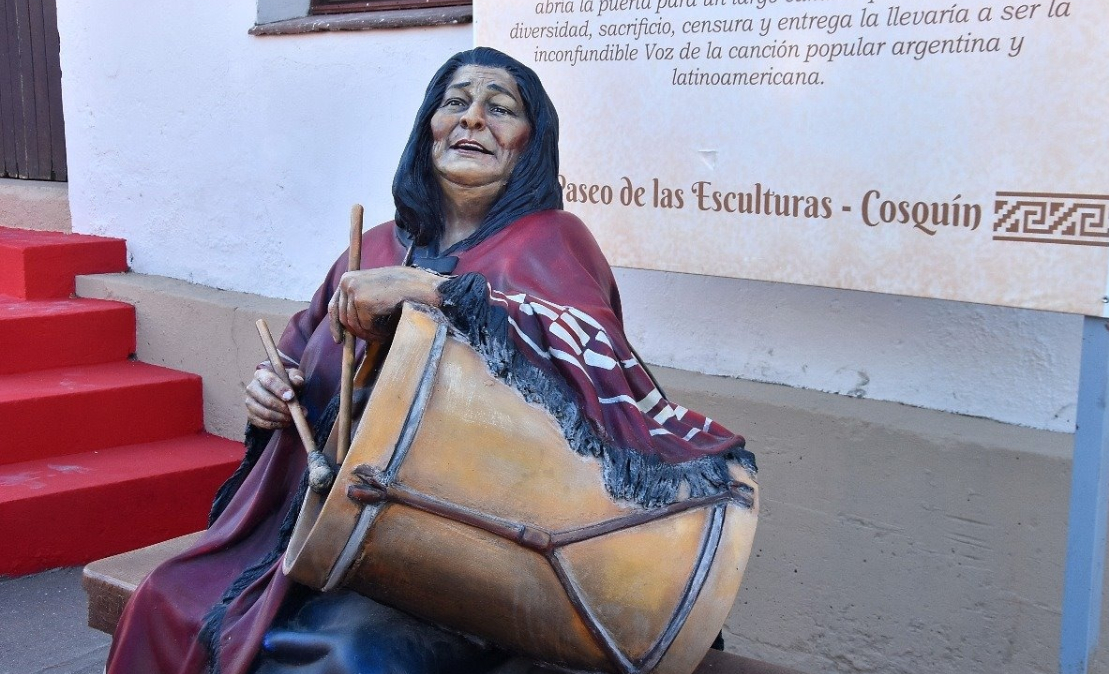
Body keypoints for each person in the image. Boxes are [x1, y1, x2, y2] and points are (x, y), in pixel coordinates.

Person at [106, 47, 754, 674]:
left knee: (335, 656)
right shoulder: (376, 245)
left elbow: (589, 364)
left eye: (501, 108)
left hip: (469, 555)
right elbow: (301, 361)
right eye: (456, 102)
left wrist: (426, 290)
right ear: (428, 128)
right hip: (315, 525)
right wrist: (275, 397)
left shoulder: (555, 243)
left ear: (532, 142)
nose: (473, 118)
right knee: (165, 601)